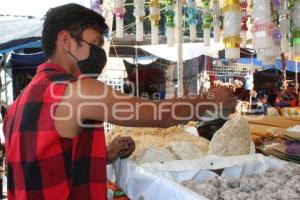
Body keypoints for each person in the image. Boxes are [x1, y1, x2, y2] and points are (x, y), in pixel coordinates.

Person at [3, 4, 236, 200]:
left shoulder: (22, 99)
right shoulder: (74, 90)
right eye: (94, 44)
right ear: (66, 40)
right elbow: (159, 114)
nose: (99, 54)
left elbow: (49, 160)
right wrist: (209, 100)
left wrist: (106, 154)